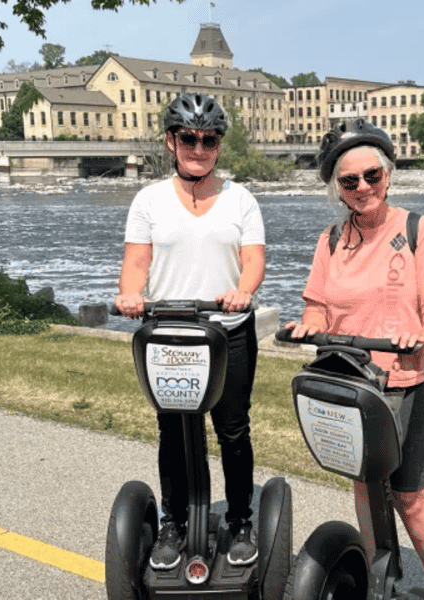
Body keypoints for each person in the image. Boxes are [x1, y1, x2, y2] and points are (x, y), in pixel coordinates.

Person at [287, 119, 424, 600]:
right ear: (337, 189)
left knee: (409, 494)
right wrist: (308, 324)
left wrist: (423, 345)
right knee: (366, 485)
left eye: (372, 176)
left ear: (387, 175)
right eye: (350, 181)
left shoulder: (417, 229)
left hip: (406, 382)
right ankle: (377, 582)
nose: (363, 187)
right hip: (353, 383)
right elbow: (318, 305)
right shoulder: (329, 241)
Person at [115, 93, 265, 570]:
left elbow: (253, 261)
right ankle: (173, 523)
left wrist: (243, 291)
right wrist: (131, 295)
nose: (198, 147)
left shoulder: (241, 199)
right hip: (169, 334)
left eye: (209, 139)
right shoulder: (148, 200)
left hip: (228, 332)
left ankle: (241, 519)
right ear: (171, 141)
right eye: (188, 138)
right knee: (173, 432)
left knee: (232, 430)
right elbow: (136, 262)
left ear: (219, 144)